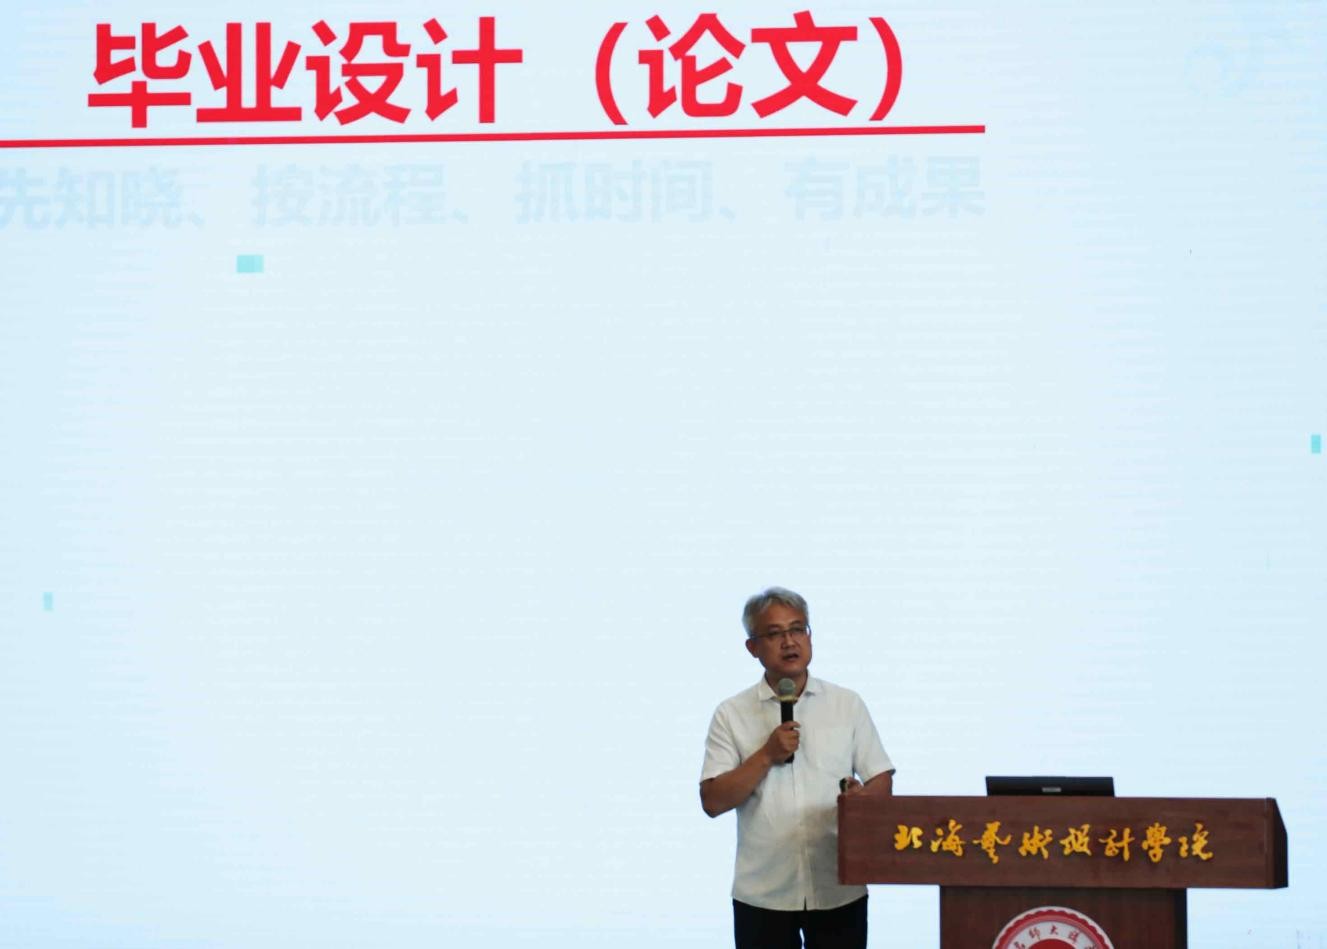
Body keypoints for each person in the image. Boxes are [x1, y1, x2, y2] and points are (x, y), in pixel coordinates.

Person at [700, 587, 895, 949]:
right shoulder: (731, 714)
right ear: (752, 647)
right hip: (763, 893)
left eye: (797, 629)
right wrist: (766, 755)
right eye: (774, 633)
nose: (789, 642)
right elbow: (712, 801)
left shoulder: (846, 704)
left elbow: (881, 778)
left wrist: (862, 800)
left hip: (839, 886)